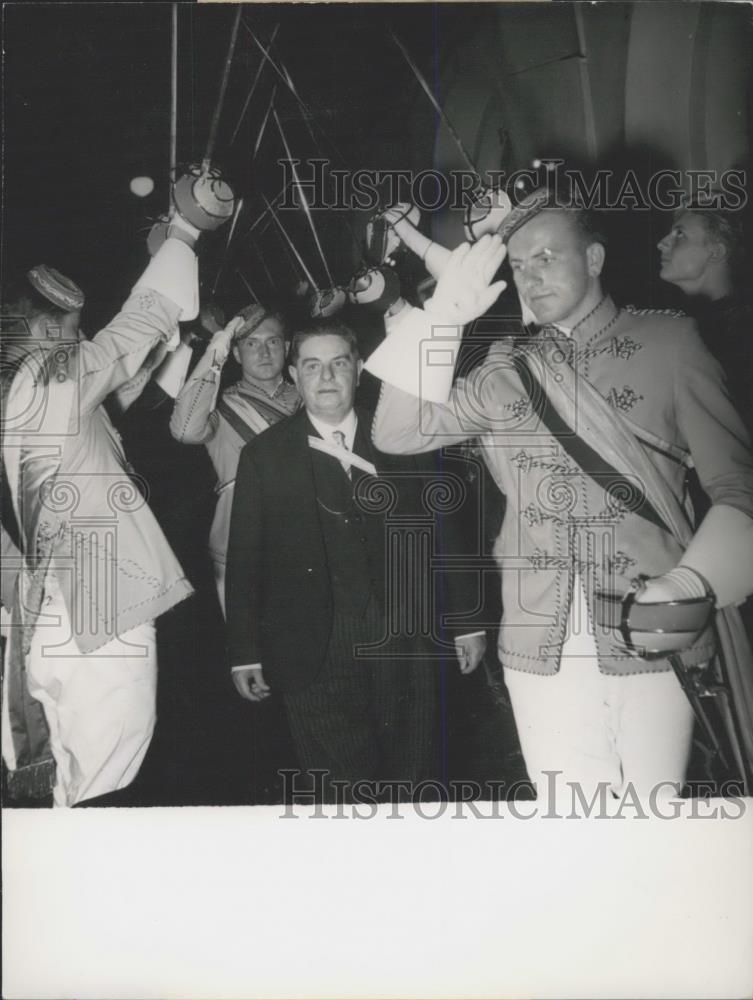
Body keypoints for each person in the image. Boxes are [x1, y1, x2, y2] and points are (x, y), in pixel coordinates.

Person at [365, 190, 753, 801]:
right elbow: (395, 432)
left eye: (547, 257)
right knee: (571, 829)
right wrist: (441, 317)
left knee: (655, 826)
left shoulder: (671, 343)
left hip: (652, 629)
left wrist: (687, 585)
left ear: (595, 258)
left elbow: (739, 488)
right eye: (518, 265)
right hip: (537, 635)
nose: (530, 277)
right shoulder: (502, 368)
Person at [225, 321, 482, 801]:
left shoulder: (403, 436)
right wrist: (245, 652)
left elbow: (446, 530)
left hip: (406, 636)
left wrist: (467, 622)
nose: (326, 377)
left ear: (359, 369)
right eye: (312, 366)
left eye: (338, 363)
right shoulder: (264, 455)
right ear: (296, 375)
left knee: (416, 775)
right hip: (312, 647)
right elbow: (245, 559)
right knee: (340, 789)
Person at [0, 215, 204, 807]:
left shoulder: (18, 397)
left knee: (67, 776)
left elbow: (119, 387)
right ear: (43, 331)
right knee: (105, 783)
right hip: (99, 606)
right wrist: (185, 234)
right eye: (72, 330)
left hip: (45, 610)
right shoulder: (50, 380)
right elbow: (135, 329)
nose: (81, 340)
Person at [170, 303, 300, 614]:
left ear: (286, 347)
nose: (264, 352)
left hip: (305, 539)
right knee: (252, 652)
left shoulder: (311, 399)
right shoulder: (221, 407)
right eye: (251, 344)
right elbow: (185, 430)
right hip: (241, 544)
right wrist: (217, 347)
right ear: (237, 353)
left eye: (272, 342)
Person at [658, 204, 752, 435]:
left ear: (716, 252)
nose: (662, 243)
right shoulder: (681, 320)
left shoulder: (741, 332)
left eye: (680, 234)